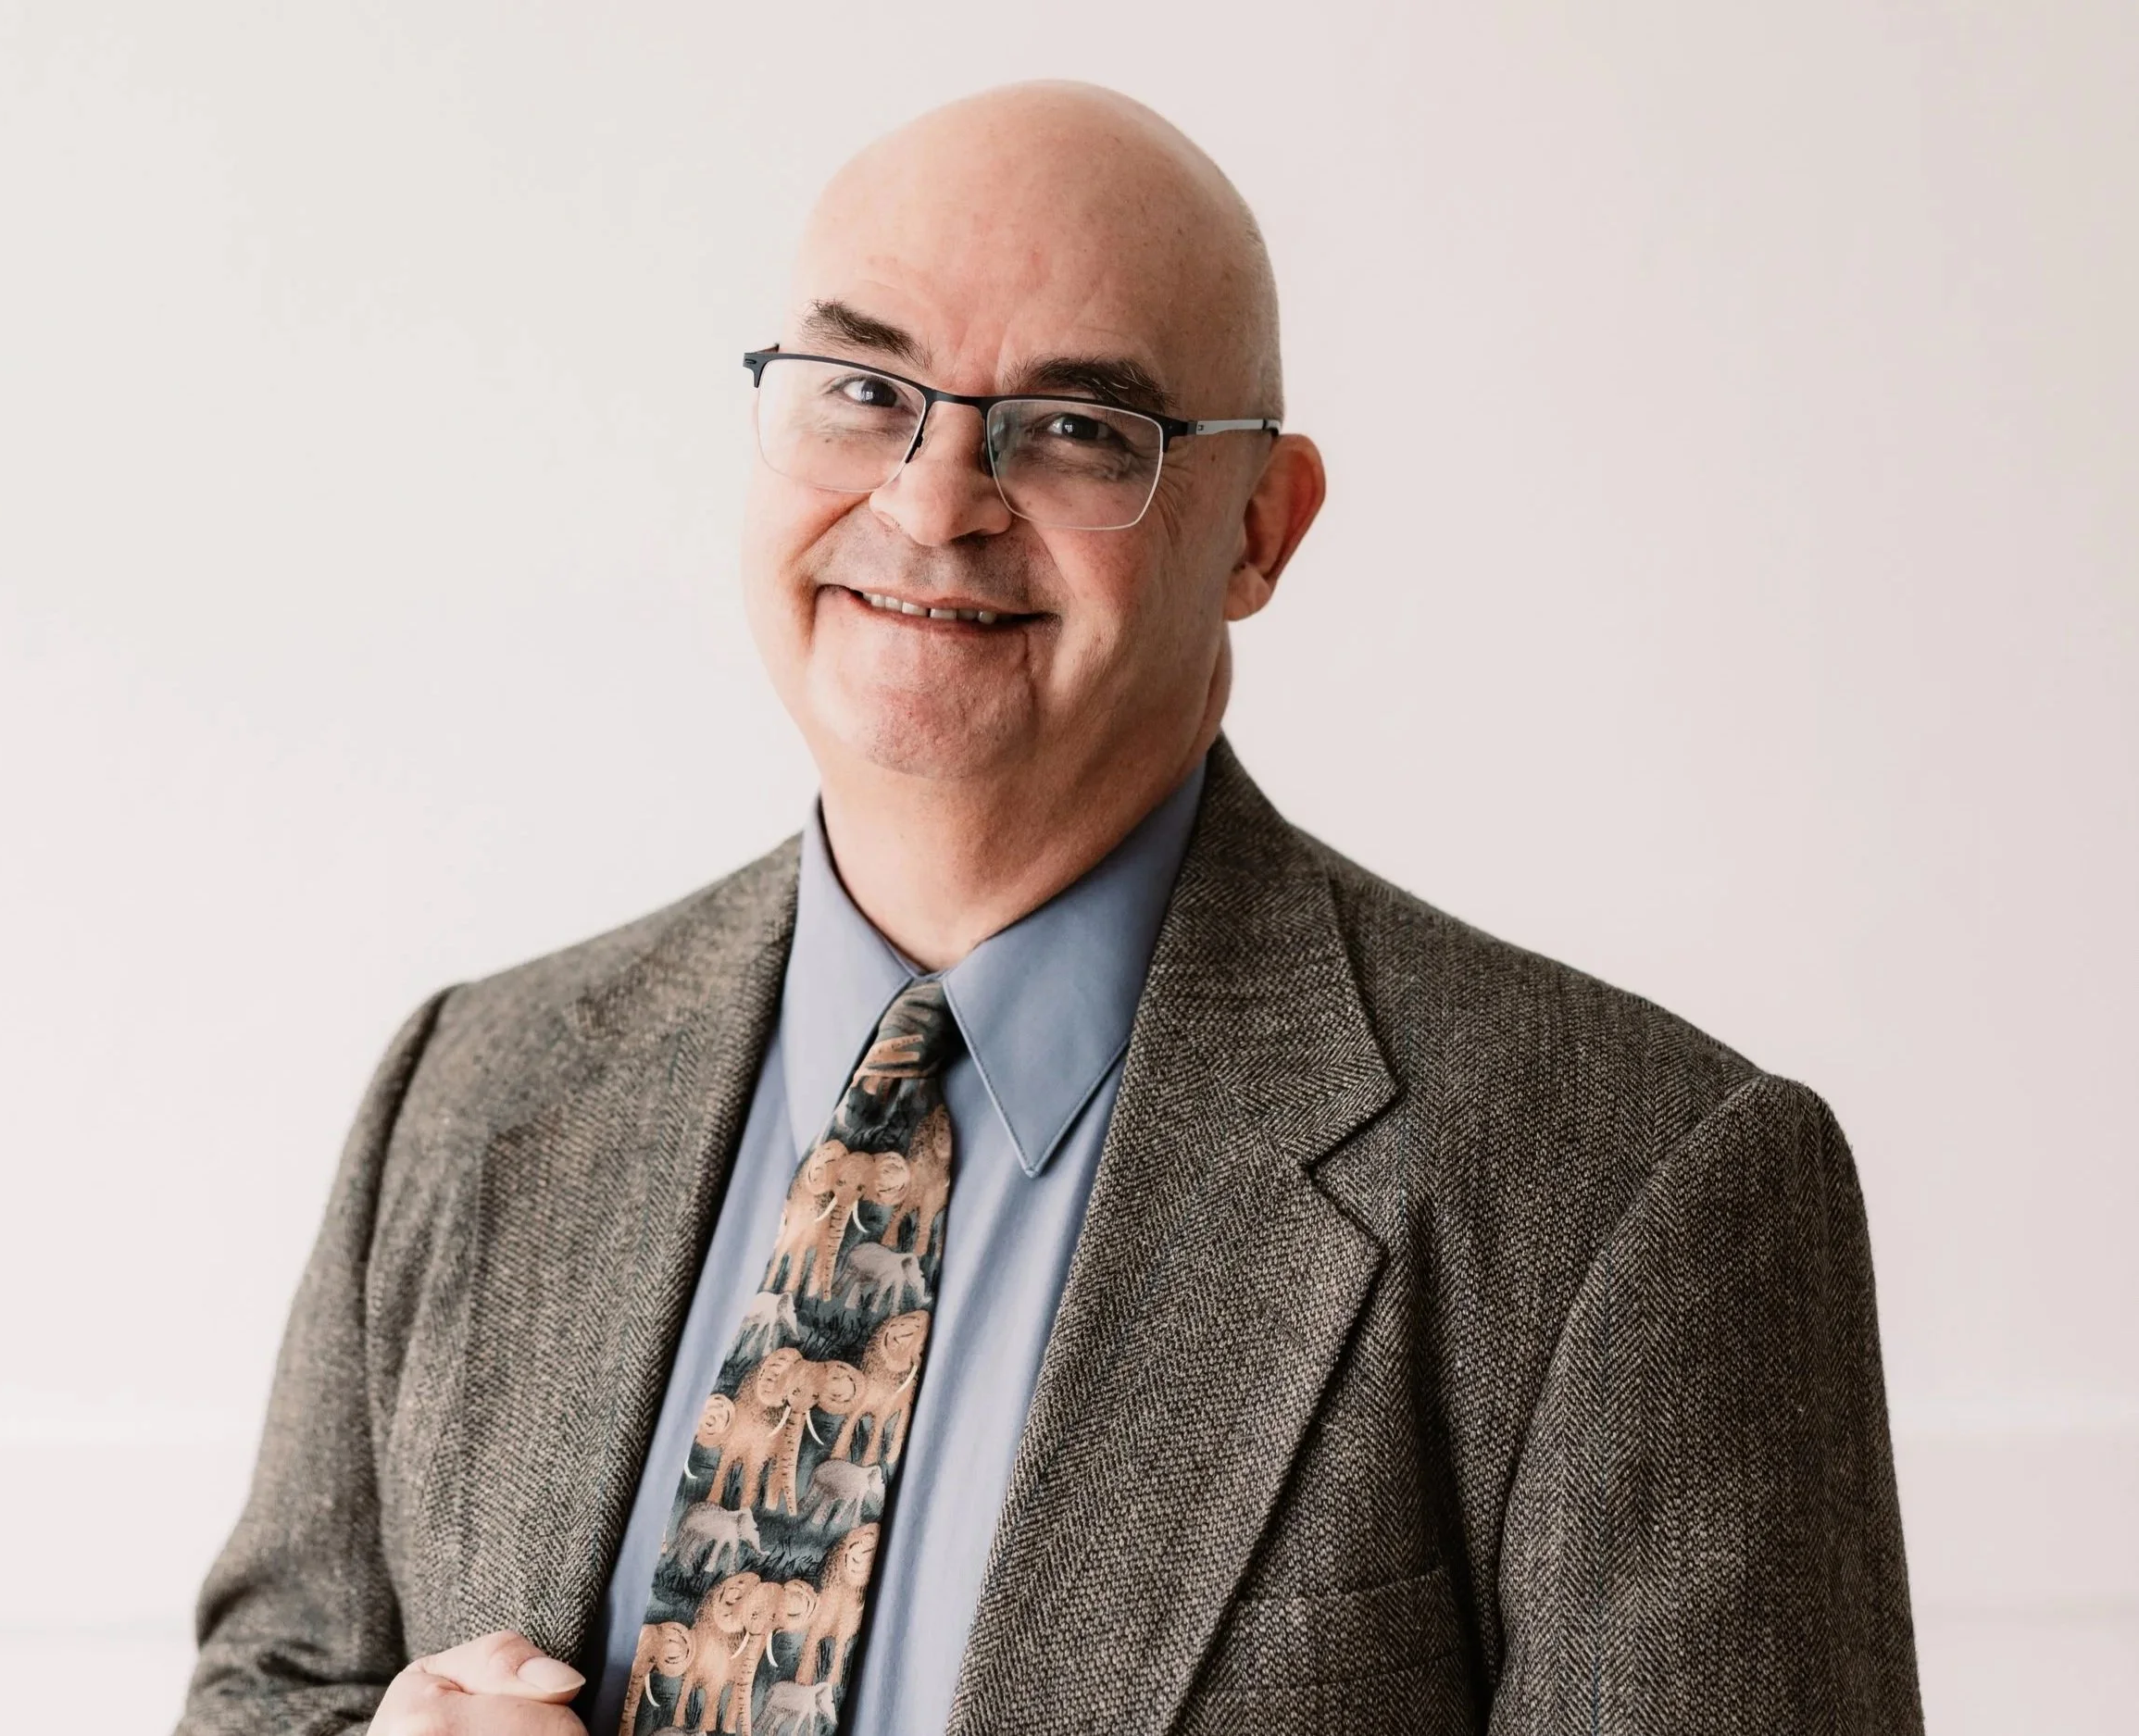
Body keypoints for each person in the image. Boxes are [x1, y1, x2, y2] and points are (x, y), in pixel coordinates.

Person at [177, 81, 1922, 1736]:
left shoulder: (1630, 1190)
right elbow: (274, 1686)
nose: (933, 500)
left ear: (1262, 527)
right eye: (862, 388)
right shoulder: (472, 1088)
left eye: (1078, 429)